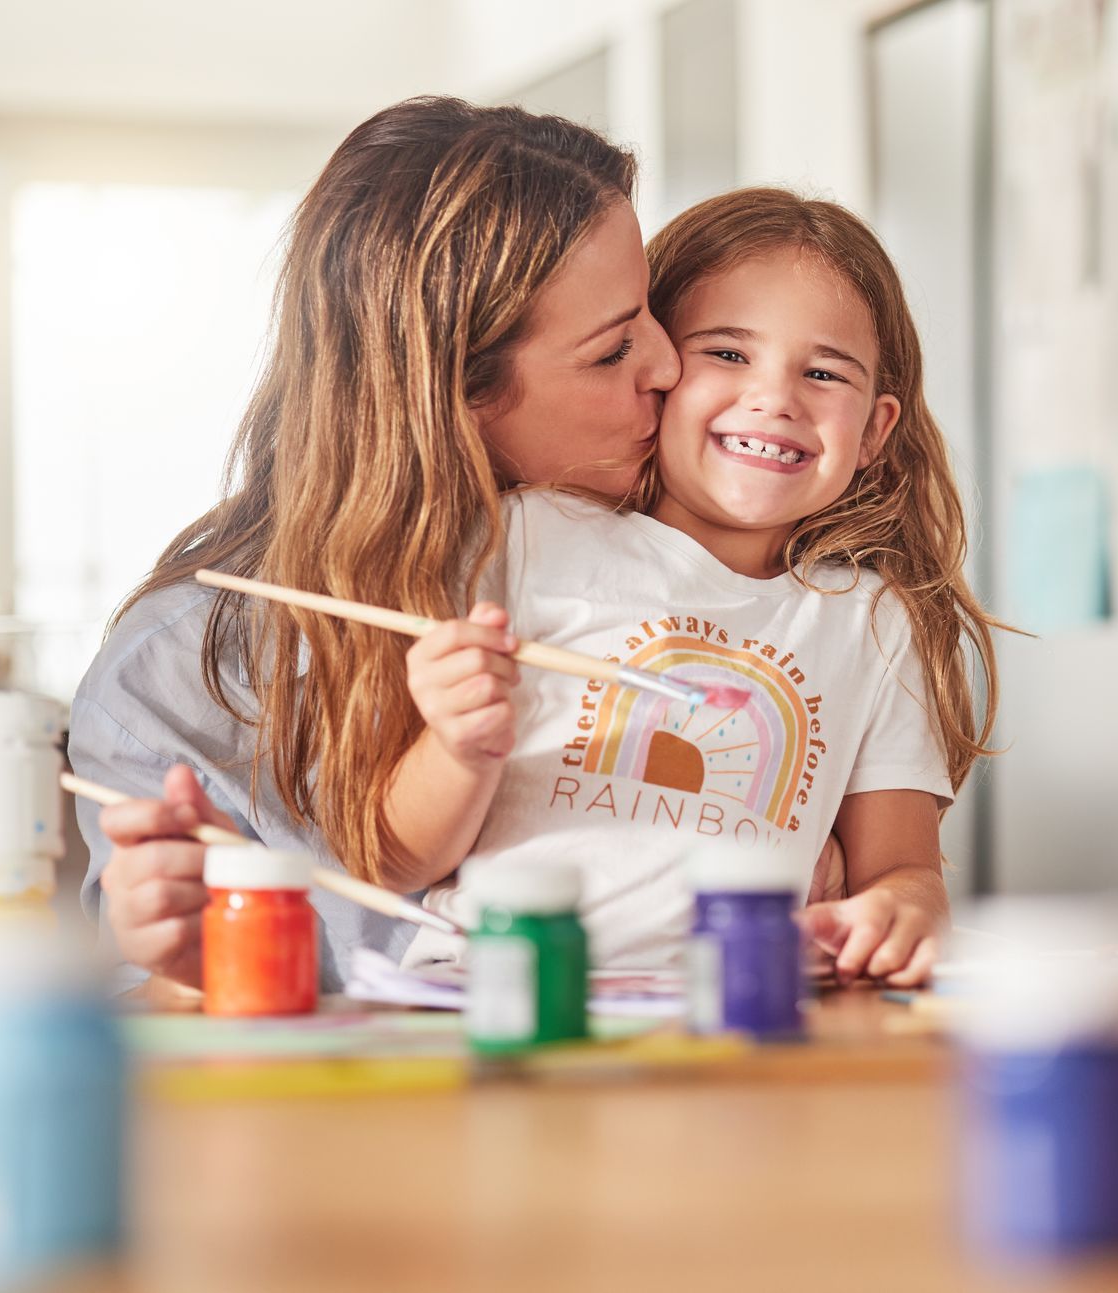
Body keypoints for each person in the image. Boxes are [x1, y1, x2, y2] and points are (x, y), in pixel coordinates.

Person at [70, 97, 679, 990]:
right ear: (453, 394)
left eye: (650, 311)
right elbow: (152, 1012)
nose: (669, 366)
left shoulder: (677, 549)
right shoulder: (177, 673)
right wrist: (178, 960)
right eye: (612, 349)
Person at [396, 188, 1004, 986]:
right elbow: (399, 857)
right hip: (488, 991)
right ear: (655, 371)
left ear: (876, 433)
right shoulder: (526, 536)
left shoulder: (872, 623)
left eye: (822, 372)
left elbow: (905, 871)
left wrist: (899, 910)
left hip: (732, 1012)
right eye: (727, 353)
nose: (775, 398)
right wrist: (455, 744)